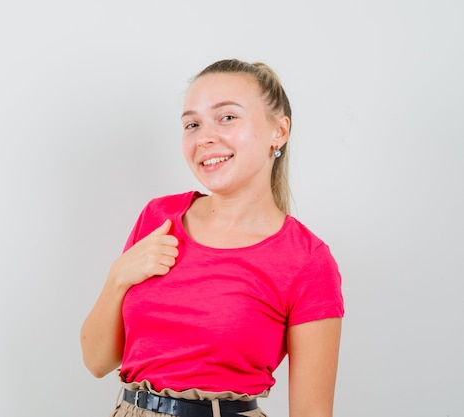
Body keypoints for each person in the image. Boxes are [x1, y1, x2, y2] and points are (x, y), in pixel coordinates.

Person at [80, 59, 344, 417]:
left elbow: (311, 412)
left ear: (279, 131)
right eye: (192, 124)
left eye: (228, 117)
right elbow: (97, 361)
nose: (205, 137)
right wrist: (118, 276)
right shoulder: (159, 218)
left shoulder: (307, 261)